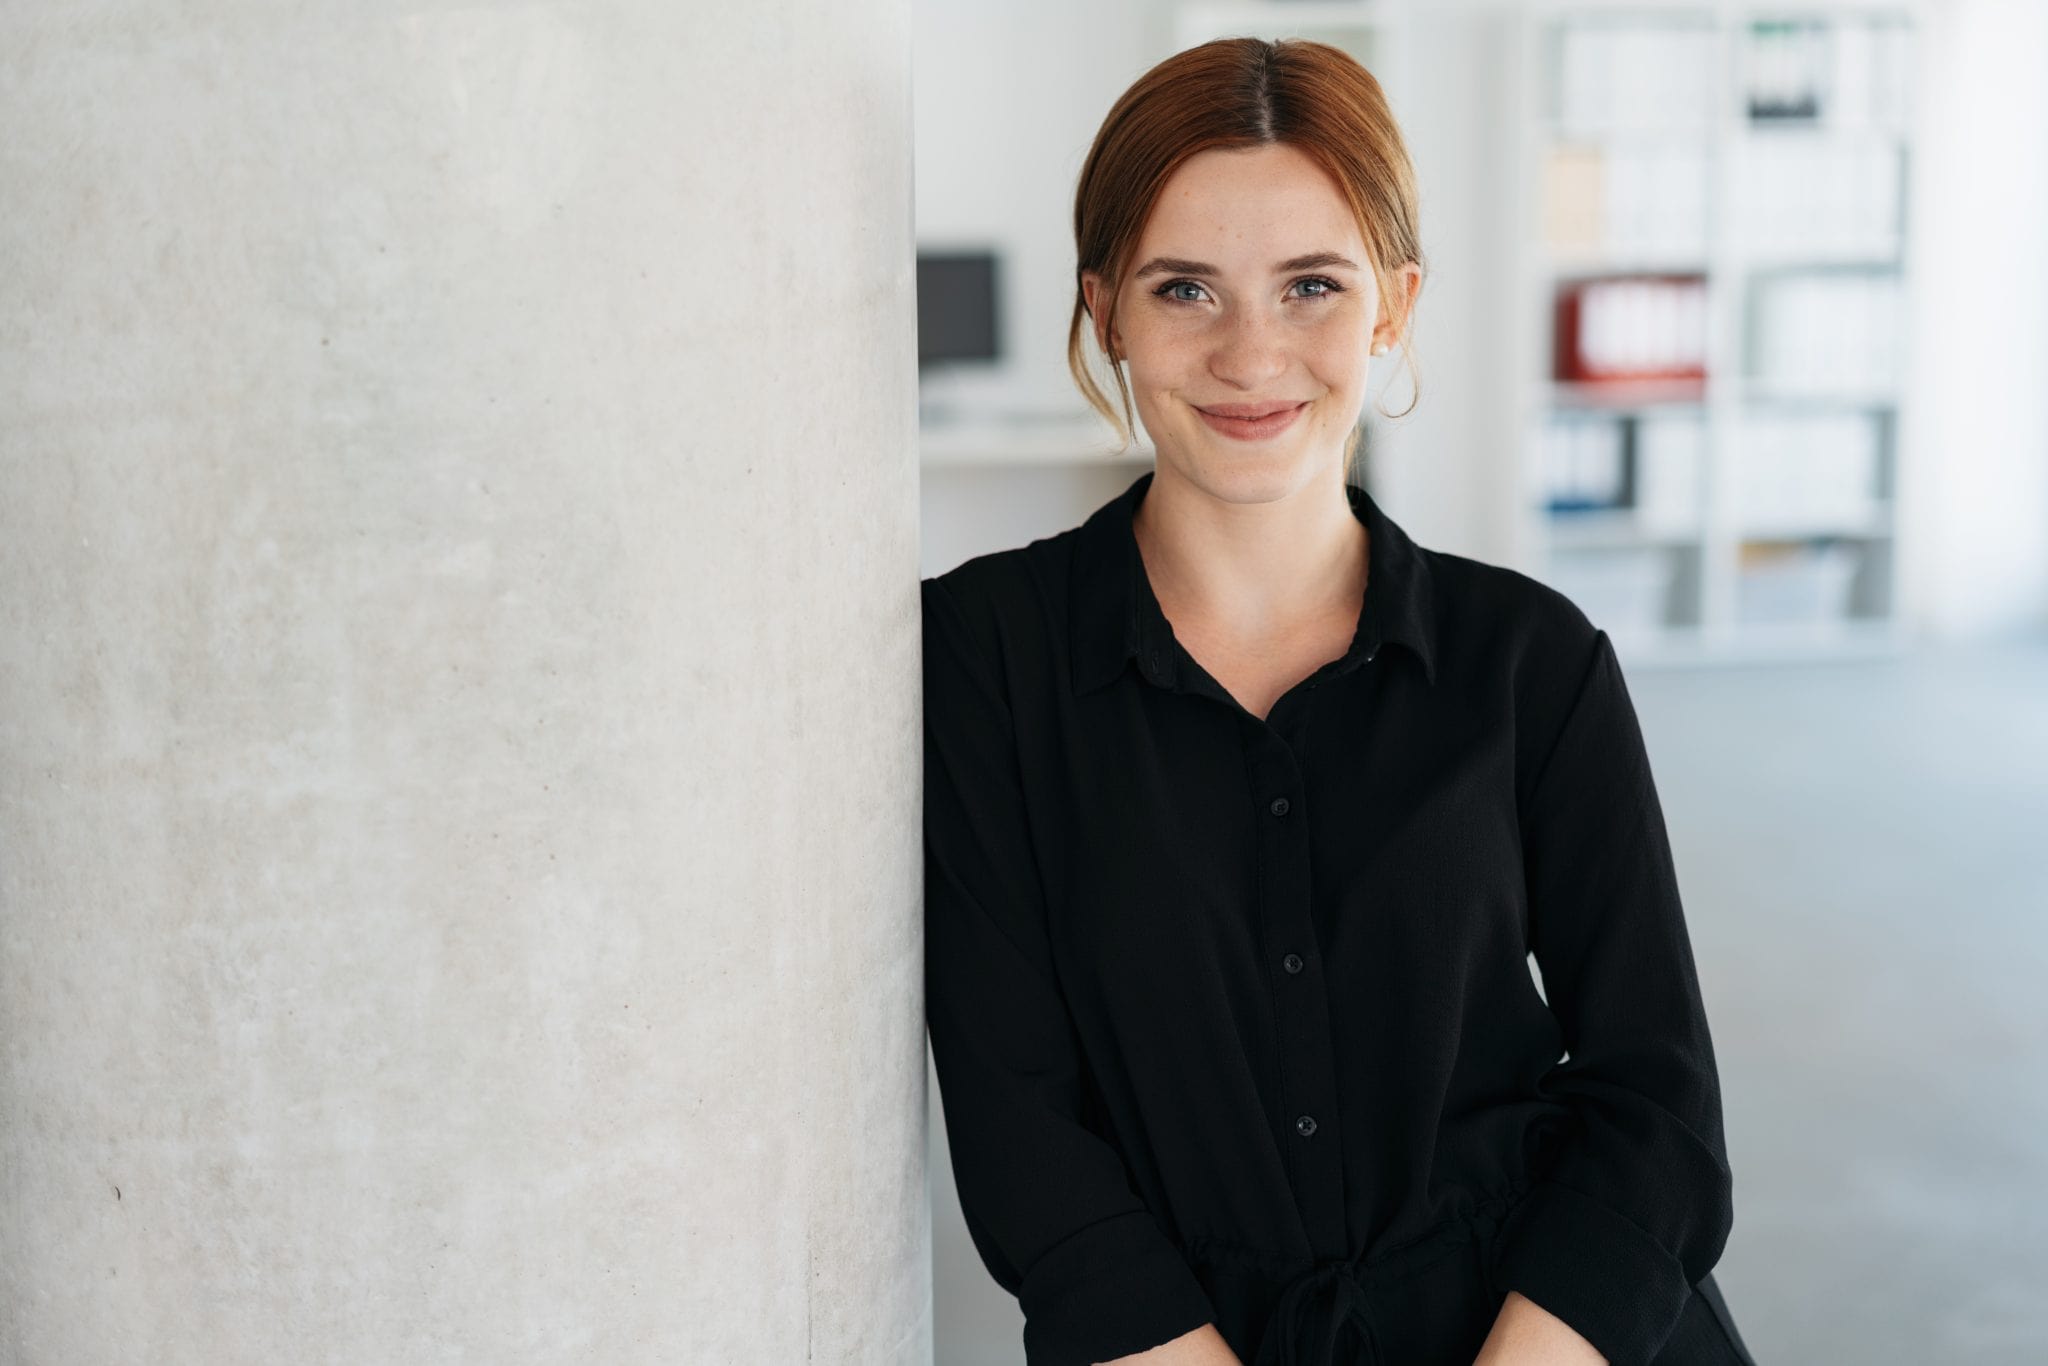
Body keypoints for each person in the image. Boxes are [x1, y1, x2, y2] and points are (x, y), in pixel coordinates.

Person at [920, 36, 1758, 1366]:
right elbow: (1024, 1136)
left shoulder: (1532, 659)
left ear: (1394, 305)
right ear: (1105, 312)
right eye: (1184, 287)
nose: (1253, 353)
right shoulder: (982, 658)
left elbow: (1657, 1115)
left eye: (1312, 283)